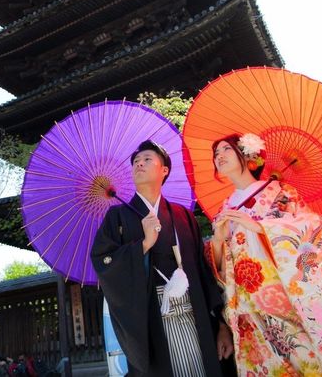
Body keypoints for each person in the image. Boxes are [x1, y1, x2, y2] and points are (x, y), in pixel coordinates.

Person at [208, 133, 322, 376]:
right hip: (249, 304)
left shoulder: (280, 192)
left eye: (226, 150)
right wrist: (219, 240)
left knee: (308, 362)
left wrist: (259, 226)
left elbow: (309, 228)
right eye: (216, 153)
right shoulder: (226, 207)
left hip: (285, 296)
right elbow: (220, 266)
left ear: (248, 156)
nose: (219, 156)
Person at [91, 140, 234, 376]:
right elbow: (103, 261)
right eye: (136, 162)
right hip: (151, 321)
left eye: (147, 159)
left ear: (164, 170)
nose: (139, 164)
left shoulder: (183, 215)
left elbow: (203, 271)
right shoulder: (117, 217)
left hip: (195, 314)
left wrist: (221, 324)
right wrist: (144, 244)